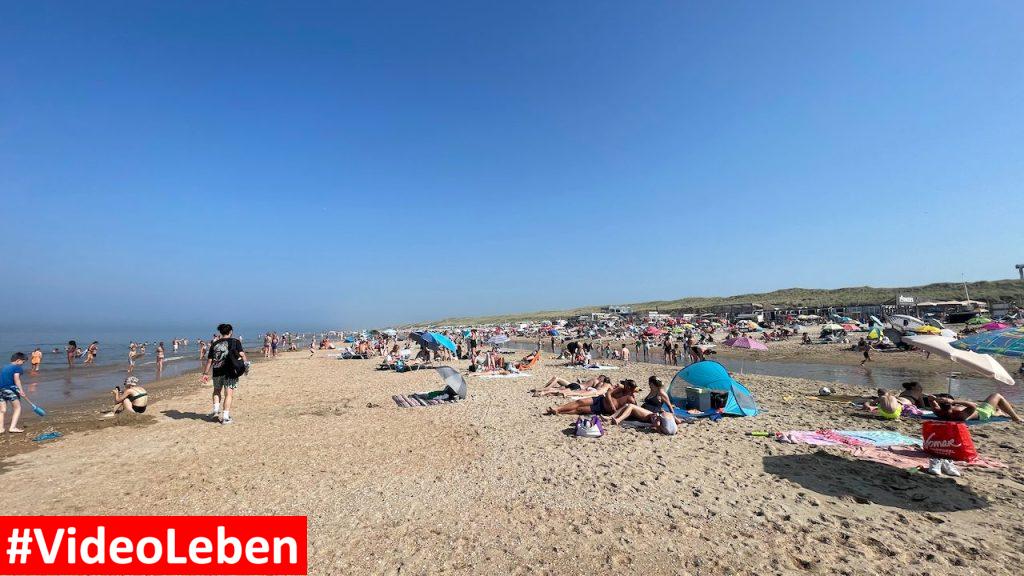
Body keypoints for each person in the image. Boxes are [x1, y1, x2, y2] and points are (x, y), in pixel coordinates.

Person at [201, 323, 247, 425]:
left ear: (220, 332)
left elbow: (210, 361)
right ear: (230, 332)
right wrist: (245, 367)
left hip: (217, 371)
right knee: (228, 394)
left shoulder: (215, 344)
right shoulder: (235, 342)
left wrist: (205, 373)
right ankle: (225, 417)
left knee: (216, 391)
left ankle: (216, 410)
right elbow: (242, 355)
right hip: (231, 372)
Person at [544, 379, 637, 416]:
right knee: (580, 401)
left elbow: (631, 410)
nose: (623, 384)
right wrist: (612, 404)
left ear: (629, 387)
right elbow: (608, 393)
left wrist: (615, 412)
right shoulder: (620, 389)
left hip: (602, 408)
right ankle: (558, 408)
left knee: (580, 410)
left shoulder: (630, 398)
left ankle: (560, 412)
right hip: (601, 399)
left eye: (625, 384)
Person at [928, 393, 1022, 423]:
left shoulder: (938, 411)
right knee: (996, 396)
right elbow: (974, 405)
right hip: (983, 413)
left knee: (994, 409)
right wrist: (954, 401)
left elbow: (929, 398)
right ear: (951, 404)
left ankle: (998, 412)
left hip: (976, 411)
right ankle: (1015, 418)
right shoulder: (959, 413)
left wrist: (935, 398)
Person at [1, 353, 30, 433]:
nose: (23, 364)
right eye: (23, 362)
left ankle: (0, 428)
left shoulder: (4, 367)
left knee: (2, 410)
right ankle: (12, 427)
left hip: (0, 390)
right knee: (17, 408)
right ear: (18, 360)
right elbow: (17, 379)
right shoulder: (17, 368)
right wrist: (21, 390)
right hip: (10, 389)